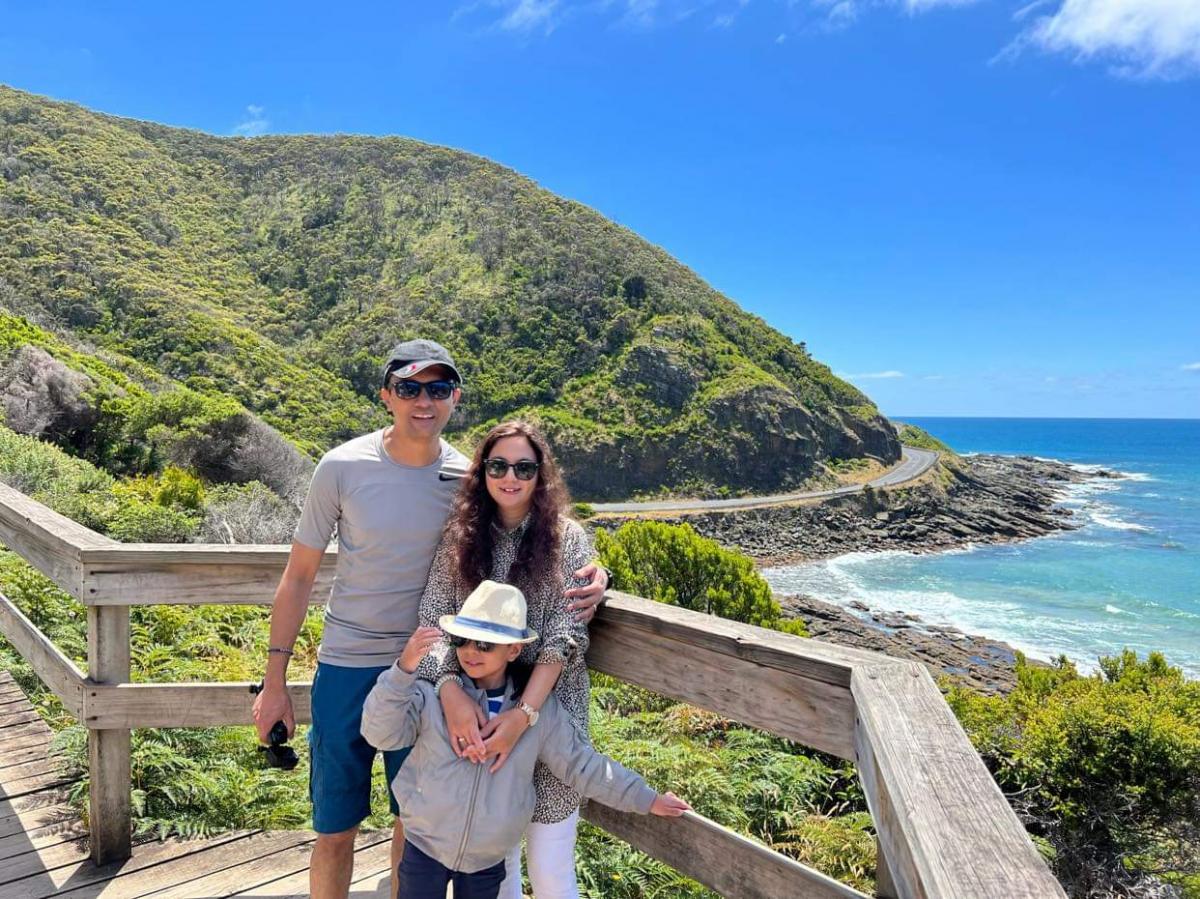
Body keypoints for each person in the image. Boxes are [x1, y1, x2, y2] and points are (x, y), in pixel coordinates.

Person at [250, 340, 609, 899]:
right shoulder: (341, 466)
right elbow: (296, 578)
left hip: (437, 677)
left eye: (438, 389)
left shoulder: (468, 478)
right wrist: (274, 682)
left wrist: (596, 571)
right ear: (386, 395)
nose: (424, 400)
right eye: (410, 387)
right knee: (334, 827)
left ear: (454, 397)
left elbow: (528, 527)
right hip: (348, 664)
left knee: (413, 824)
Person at [361, 580, 691, 899]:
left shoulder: (538, 714)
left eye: (485, 643)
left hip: (486, 859)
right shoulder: (431, 696)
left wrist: (646, 798)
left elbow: (581, 765)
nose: (470, 651)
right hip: (423, 844)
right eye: (462, 639)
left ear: (514, 649)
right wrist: (403, 671)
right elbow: (379, 732)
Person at [415, 420, 598, 898]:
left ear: (541, 476)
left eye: (524, 467)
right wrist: (450, 691)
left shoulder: (567, 538)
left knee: (552, 864)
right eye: (498, 465)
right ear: (483, 471)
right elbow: (434, 620)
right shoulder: (461, 537)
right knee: (496, 865)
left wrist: (524, 714)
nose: (510, 476)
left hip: (551, 717)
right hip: (477, 715)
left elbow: (565, 634)